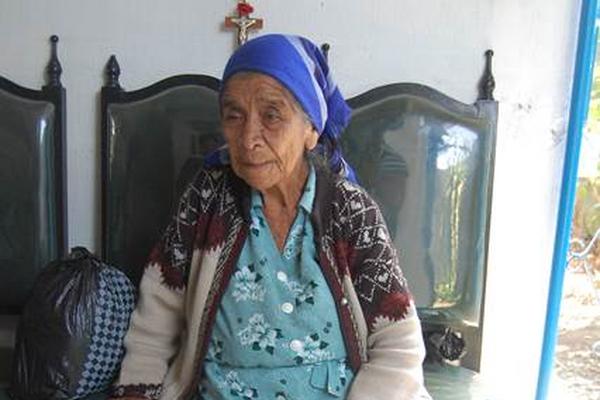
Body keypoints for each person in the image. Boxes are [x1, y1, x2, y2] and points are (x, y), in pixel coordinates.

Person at [110, 34, 430, 400]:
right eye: (234, 115)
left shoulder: (350, 211)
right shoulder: (206, 199)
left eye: (272, 115)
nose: (248, 138)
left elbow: (398, 344)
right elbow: (155, 323)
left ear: (311, 130)